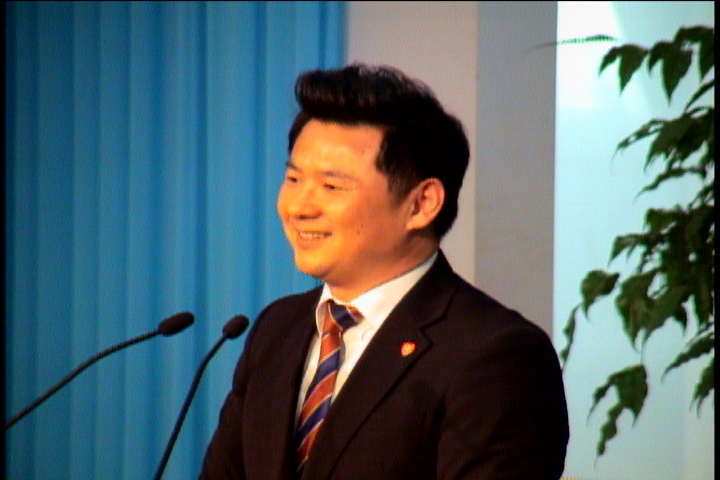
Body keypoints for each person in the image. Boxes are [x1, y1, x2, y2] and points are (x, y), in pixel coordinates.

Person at [200, 63, 569, 479]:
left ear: (421, 204)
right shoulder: (277, 328)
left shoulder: (496, 355)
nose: (299, 207)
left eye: (331, 186)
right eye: (293, 179)